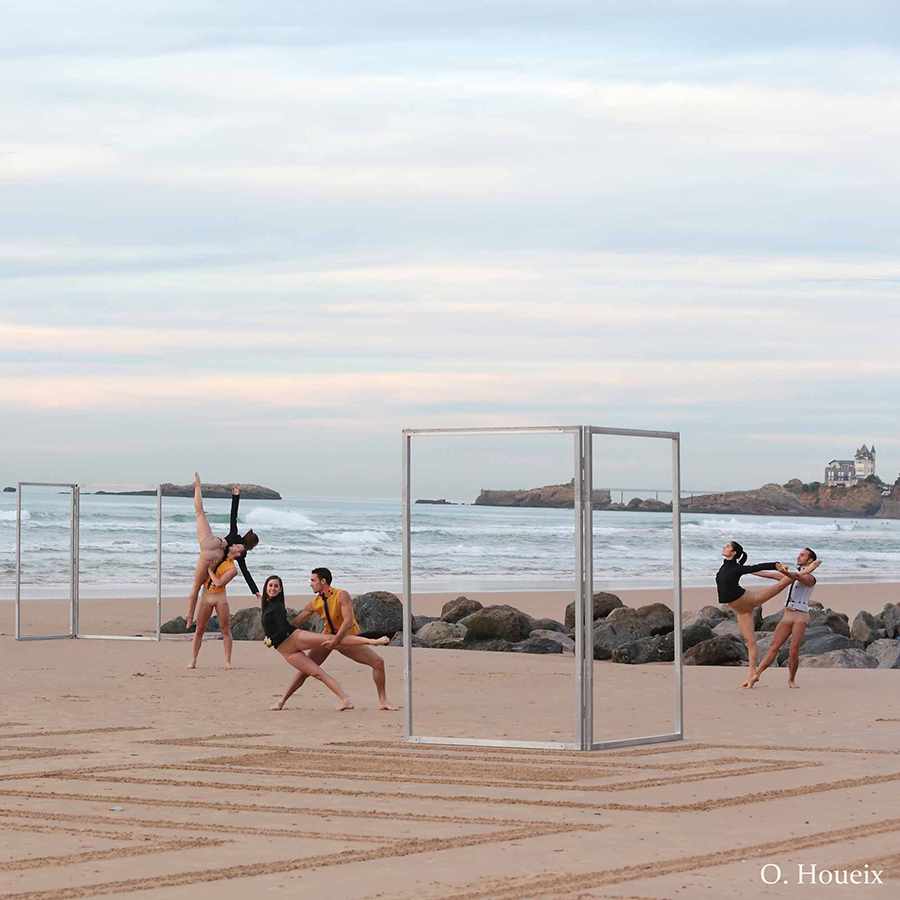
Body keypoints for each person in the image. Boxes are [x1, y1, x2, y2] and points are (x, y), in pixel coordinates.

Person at [269, 567, 398, 712]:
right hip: (326, 639)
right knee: (305, 670)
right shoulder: (314, 603)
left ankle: (383, 700)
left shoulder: (341, 595)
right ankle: (282, 701)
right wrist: (272, 632)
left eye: (313, 580)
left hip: (345, 639)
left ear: (323, 581)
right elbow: (294, 624)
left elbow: (348, 621)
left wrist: (336, 640)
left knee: (378, 662)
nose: (310, 584)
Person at [186, 474, 259, 630]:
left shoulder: (235, 534)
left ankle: (197, 486)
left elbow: (233, 516)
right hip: (212, 557)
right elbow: (245, 572)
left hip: (212, 542)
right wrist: (255, 591)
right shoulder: (241, 553)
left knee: (200, 513)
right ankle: (190, 616)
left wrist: (236, 496)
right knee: (197, 586)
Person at [716, 541, 792, 688]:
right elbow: (741, 566)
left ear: (733, 553)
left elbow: (756, 567)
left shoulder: (736, 569)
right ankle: (752, 674)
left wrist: (776, 564)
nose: (724, 547)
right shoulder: (726, 566)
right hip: (742, 610)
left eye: (727, 547)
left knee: (782, 584)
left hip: (750, 599)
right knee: (750, 642)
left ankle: (802, 574)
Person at [747, 549, 822, 689]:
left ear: (810, 561)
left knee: (793, 650)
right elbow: (767, 574)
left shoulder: (810, 578)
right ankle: (755, 675)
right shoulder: (793, 575)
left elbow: (797, 576)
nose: (799, 556)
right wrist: (746, 570)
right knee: (773, 647)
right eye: (799, 554)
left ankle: (791, 680)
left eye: (802, 555)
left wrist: (784, 572)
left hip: (800, 616)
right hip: (787, 615)